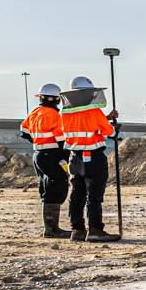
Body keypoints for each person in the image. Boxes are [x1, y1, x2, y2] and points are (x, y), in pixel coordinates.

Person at [58, 76, 116, 242]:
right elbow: (109, 132)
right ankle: (95, 230)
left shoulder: (65, 114)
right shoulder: (94, 112)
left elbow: (82, 125)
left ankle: (77, 230)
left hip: (74, 158)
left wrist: (106, 118)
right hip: (94, 158)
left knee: (77, 195)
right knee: (94, 196)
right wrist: (110, 123)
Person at [23, 82, 69, 239]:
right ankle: (52, 229)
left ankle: (50, 228)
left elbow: (24, 131)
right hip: (52, 155)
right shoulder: (54, 115)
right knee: (58, 185)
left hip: (38, 155)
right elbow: (62, 140)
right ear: (57, 99)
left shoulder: (35, 112)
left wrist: (38, 142)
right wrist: (65, 157)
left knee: (46, 188)